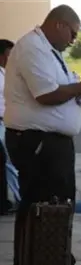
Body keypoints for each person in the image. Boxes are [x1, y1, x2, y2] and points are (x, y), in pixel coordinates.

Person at [4, 5, 81, 265]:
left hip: (51, 142)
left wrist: (80, 92)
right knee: (45, 208)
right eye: (73, 33)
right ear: (59, 25)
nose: (73, 40)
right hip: (38, 142)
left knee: (53, 208)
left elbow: (59, 91)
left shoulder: (49, 51)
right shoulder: (32, 48)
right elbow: (46, 95)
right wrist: (80, 87)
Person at [0, 39, 20, 210]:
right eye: (9, 55)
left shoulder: (6, 74)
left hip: (8, 122)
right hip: (1, 122)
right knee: (10, 163)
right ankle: (22, 197)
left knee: (10, 163)